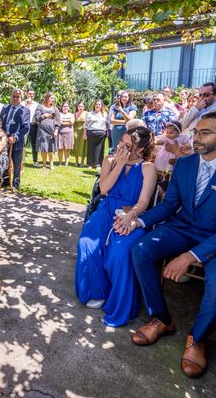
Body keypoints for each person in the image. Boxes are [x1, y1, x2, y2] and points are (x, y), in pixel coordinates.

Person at [120, 112, 216, 378]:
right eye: (196, 132)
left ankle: (198, 338)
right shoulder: (184, 165)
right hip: (184, 228)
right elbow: (169, 205)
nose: (196, 137)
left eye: (205, 133)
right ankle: (161, 318)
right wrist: (138, 221)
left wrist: (189, 256)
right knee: (140, 249)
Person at [74, 127, 157, 326]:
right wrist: (119, 164)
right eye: (121, 142)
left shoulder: (148, 168)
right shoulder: (110, 161)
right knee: (87, 243)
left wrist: (131, 217)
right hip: (105, 210)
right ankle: (98, 290)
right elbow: (104, 189)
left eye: (127, 145)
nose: (120, 147)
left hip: (131, 214)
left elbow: (144, 202)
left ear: (140, 149)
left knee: (119, 251)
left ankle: (118, 302)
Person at [0, 88, 30, 190]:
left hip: (16, 141)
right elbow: (0, 122)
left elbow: (26, 127)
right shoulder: (5, 108)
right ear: (11, 96)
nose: (16, 98)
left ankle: (15, 183)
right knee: (4, 160)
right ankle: (6, 181)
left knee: (17, 164)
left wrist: (15, 137)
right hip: (4, 140)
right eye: (14, 96)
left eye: (18, 96)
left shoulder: (25, 111)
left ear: (21, 98)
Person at [34, 92, 61, 169]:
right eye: (51, 98)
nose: (53, 100)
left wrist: (56, 130)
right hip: (42, 131)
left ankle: (51, 164)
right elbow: (36, 117)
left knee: (51, 148)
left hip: (51, 131)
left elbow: (58, 120)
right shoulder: (40, 107)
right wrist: (43, 115)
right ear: (47, 98)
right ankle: (44, 164)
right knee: (43, 147)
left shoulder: (55, 108)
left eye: (53, 98)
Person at [84, 99, 107, 169]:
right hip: (91, 133)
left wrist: (108, 133)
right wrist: (84, 134)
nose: (98, 106)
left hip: (101, 134)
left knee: (100, 149)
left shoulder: (105, 114)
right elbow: (85, 125)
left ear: (102, 106)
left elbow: (107, 124)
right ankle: (90, 164)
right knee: (90, 149)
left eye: (99, 104)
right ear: (94, 105)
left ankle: (98, 164)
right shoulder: (90, 113)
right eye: (97, 104)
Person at [23, 88, 40, 166]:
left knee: (34, 144)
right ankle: (21, 161)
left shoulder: (36, 104)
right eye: (30, 93)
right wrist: (27, 105)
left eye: (33, 94)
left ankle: (35, 161)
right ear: (26, 94)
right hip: (25, 125)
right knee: (23, 144)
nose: (31, 95)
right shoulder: (22, 103)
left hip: (34, 125)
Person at [72, 102, 88, 167]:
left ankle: (82, 161)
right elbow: (73, 124)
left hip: (84, 131)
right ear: (77, 107)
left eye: (82, 106)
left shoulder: (87, 114)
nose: (80, 107)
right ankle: (76, 161)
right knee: (76, 146)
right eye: (79, 106)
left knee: (83, 146)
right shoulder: (74, 114)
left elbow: (87, 123)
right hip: (76, 131)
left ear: (84, 107)